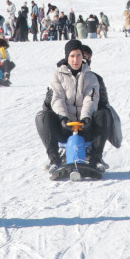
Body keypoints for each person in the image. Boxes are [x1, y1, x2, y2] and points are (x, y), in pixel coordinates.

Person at [36, 40, 100, 172]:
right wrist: (62, 118)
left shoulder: (91, 77)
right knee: (42, 116)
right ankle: (54, 160)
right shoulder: (57, 76)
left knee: (104, 114)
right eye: (72, 56)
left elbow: (90, 99)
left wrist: (86, 118)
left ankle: (96, 158)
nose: (75, 59)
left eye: (78, 55)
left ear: (83, 57)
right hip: (64, 126)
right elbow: (57, 98)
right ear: (67, 57)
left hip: (85, 126)